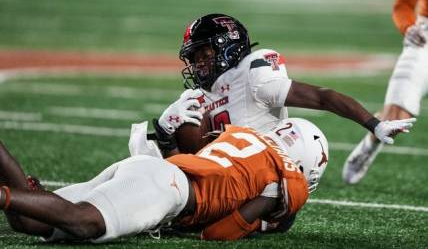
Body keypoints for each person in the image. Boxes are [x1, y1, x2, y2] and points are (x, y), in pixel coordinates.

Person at [0, 114, 334, 242]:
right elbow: (216, 234)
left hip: (153, 172)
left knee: (27, 222)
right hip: (167, 190)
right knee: (85, 223)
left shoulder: (245, 136)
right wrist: (267, 201)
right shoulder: (282, 180)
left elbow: (204, 164)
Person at [152, 13, 415, 156]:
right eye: (195, 59)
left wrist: (375, 124)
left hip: (257, 177)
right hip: (213, 172)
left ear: (229, 49)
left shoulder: (254, 77)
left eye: (205, 56)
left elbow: (322, 98)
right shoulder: (197, 95)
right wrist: (166, 136)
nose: (199, 65)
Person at [342, 0, 428, 184]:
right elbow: (403, 5)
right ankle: (369, 145)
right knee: (396, 116)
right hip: (425, 36)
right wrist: (408, 27)